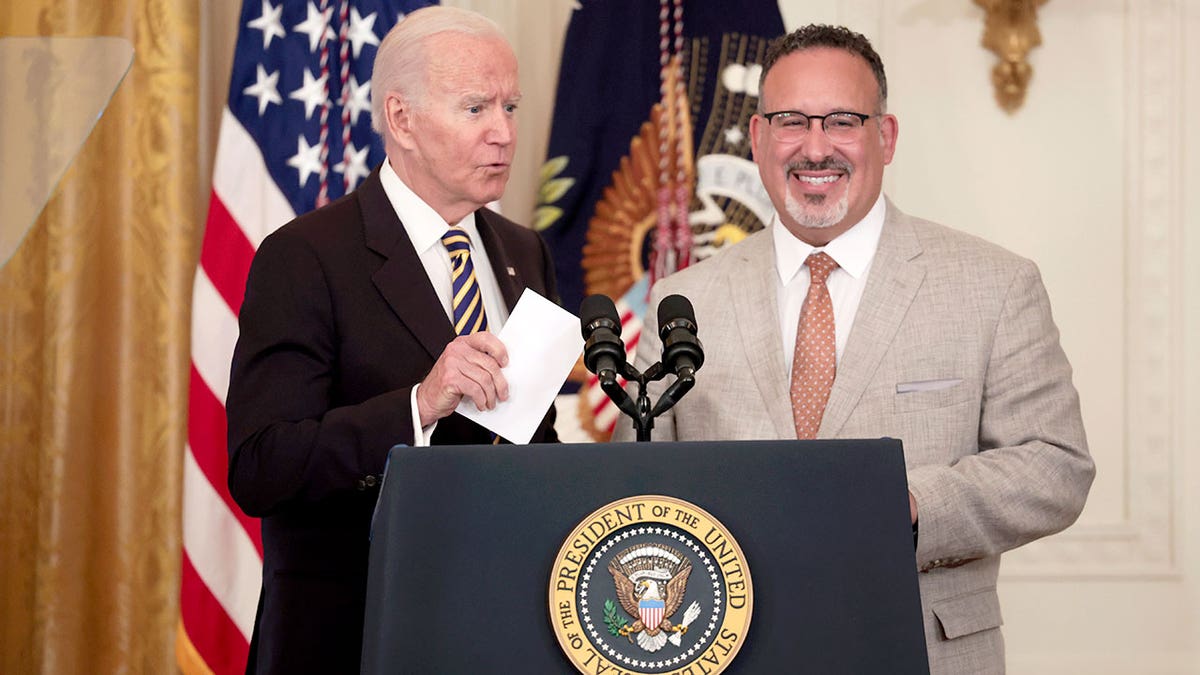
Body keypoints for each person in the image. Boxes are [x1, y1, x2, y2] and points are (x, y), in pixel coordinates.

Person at [614, 24, 1094, 674]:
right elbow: (635, 487)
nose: (816, 148)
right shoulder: (681, 300)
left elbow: (1056, 467)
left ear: (885, 137)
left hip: (923, 651)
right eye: (791, 122)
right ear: (757, 139)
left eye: (842, 120)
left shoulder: (996, 284)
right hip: (728, 652)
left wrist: (915, 505)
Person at [225, 7, 559, 673]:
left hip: (499, 630)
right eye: (476, 108)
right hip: (352, 637)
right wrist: (420, 404)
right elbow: (262, 465)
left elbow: (526, 441)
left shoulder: (525, 253)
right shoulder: (306, 257)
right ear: (400, 119)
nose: (504, 133)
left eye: (511, 106)